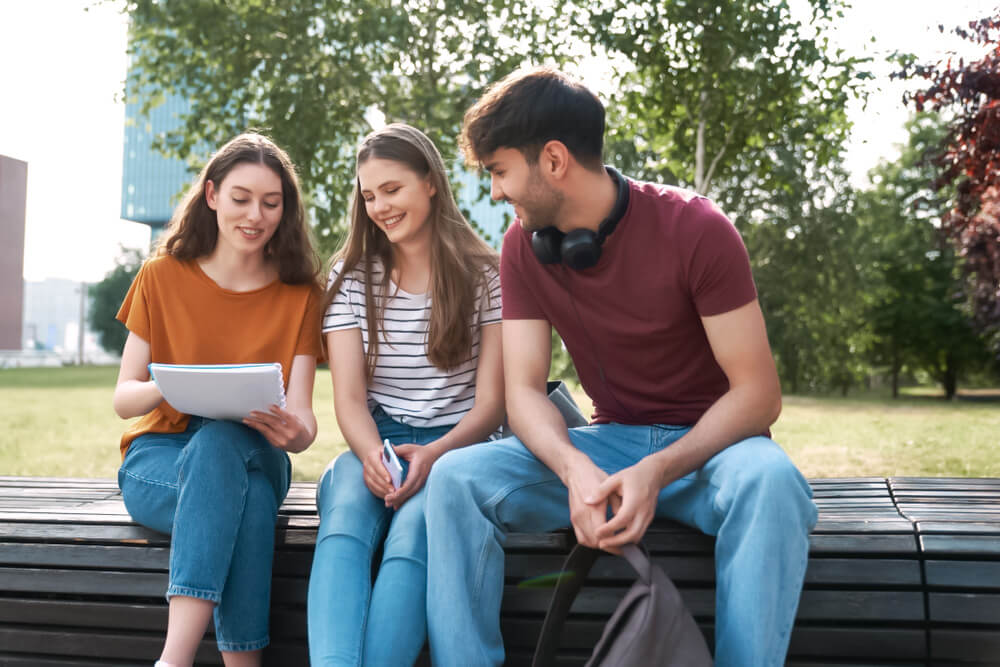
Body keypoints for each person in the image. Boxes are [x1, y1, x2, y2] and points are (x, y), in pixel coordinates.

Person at [423, 67, 818, 667]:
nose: (497, 192)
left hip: (713, 452)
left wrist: (657, 470)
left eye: (500, 171)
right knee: (455, 480)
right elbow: (523, 390)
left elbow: (759, 396)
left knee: (774, 483)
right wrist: (574, 467)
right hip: (609, 446)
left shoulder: (699, 230)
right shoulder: (520, 248)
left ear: (553, 160)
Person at [112, 133, 324, 667]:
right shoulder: (160, 276)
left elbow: (303, 422)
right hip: (159, 458)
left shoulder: (300, 293)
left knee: (224, 441)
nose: (256, 214)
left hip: (259, 450)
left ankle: (173, 660)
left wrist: (295, 434)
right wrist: (174, 384)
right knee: (244, 499)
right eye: (241, 198)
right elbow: (124, 399)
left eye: (271, 203)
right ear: (211, 196)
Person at [307, 123, 504, 666]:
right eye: (369, 195)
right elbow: (347, 398)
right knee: (344, 510)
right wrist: (373, 455)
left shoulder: (488, 276)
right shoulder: (349, 280)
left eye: (392, 190)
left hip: (457, 447)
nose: (380, 207)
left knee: (415, 532)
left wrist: (436, 455)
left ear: (431, 183)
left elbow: (493, 403)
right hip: (379, 439)